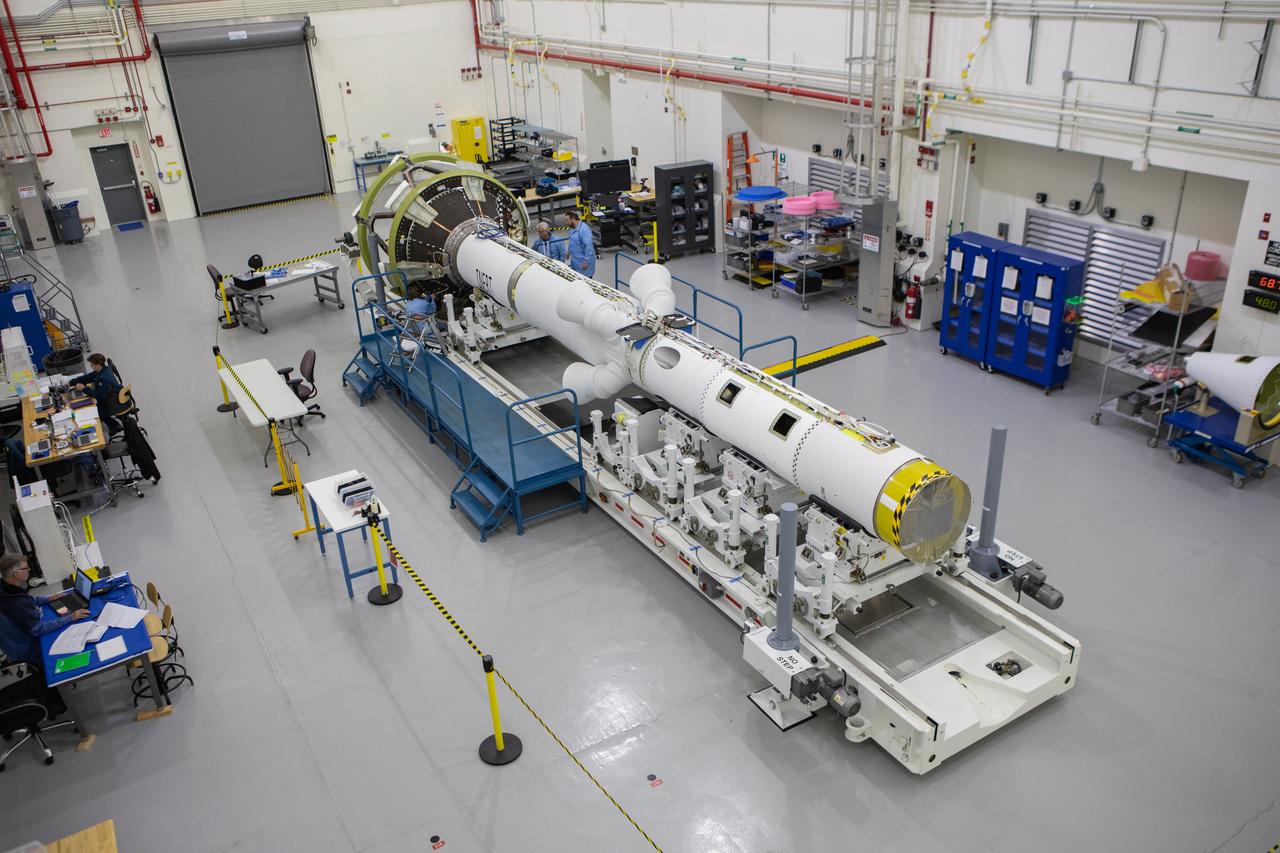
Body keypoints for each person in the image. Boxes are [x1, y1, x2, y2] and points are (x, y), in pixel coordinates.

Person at [0, 554, 88, 669]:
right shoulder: (17, 603)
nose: (29, 570)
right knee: (73, 637)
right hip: (29, 648)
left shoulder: (6, 587)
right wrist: (71, 617)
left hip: (16, 641)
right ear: (16, 574)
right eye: (26, 568)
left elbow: (27, 600)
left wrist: (48, 599)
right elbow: (38, 629)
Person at [565, 210, 596, 278]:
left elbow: (588, 247)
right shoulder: (573, 228)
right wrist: (568, 252)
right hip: (575, 262)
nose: (566, 223)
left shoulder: (584, 230)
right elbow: (571, 240)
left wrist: (586, 261)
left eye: (567, 220)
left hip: (584, 263)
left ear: (573, 219)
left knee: (586, 281)